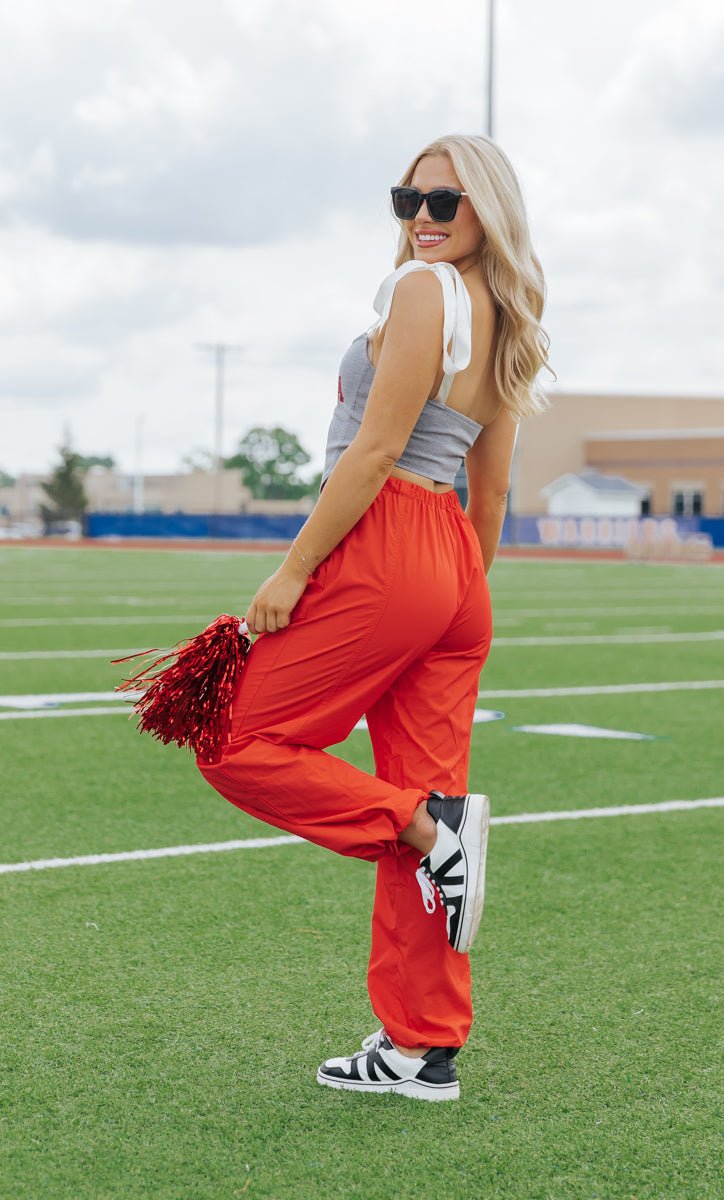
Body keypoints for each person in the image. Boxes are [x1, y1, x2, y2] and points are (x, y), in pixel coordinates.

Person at [198, 133, 550, 1102]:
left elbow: (373, 452)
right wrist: (453, 599)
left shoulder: (421, 294)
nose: (424, 218)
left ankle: (422, 826)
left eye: (447, 202)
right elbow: (489, 491)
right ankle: (419, 1045)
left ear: (489, 209)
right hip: (446, 559)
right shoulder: (504, 313)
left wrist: (291, 571)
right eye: (410, 200)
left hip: (387, 536)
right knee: (428, 812)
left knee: (235, 740)